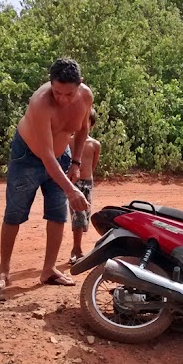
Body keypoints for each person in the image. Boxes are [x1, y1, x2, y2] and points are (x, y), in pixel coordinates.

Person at [0, 58, 92, 290]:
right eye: (57, 92)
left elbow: (83, 129)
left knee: (57, 213)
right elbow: (45, 154)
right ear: (50, 83)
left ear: (80, 84)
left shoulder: (86, 96)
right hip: (28, 157)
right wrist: (71, 188)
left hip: (62, 155)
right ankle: (3, 270)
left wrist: (75, 162)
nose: (62, 99)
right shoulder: (40, 102)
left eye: (69, 94)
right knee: (14, 212)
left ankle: (48, 270)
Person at [69, 109, 101, 264]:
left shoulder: (95, 145)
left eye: (86, 121)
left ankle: (77, 248)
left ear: (91, 125)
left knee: (84, 217)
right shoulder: (69, 141)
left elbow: (93, 166)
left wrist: (87, 178)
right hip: (73, 184)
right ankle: (77, 249)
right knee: (78, 215)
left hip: (87, 183)